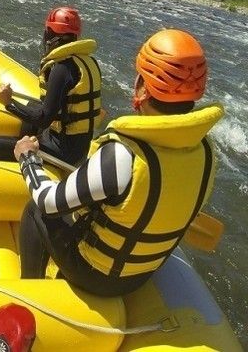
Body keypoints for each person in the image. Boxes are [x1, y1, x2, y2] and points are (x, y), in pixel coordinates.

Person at [13, 28, 223, 297]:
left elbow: (48, 201)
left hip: (96, 274)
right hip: (141, 277)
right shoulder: (207, 151)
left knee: (35, 210)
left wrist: (28, 158)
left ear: (141, 85)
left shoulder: (123, 154)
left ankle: (28, 294)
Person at [0, 6, 101, 167]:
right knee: (32, 106)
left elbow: (43, 119)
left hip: (63, 152)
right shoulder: (88, 62)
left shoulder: (62, 68)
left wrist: (9, 103)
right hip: (80, 147)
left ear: (51, 35)